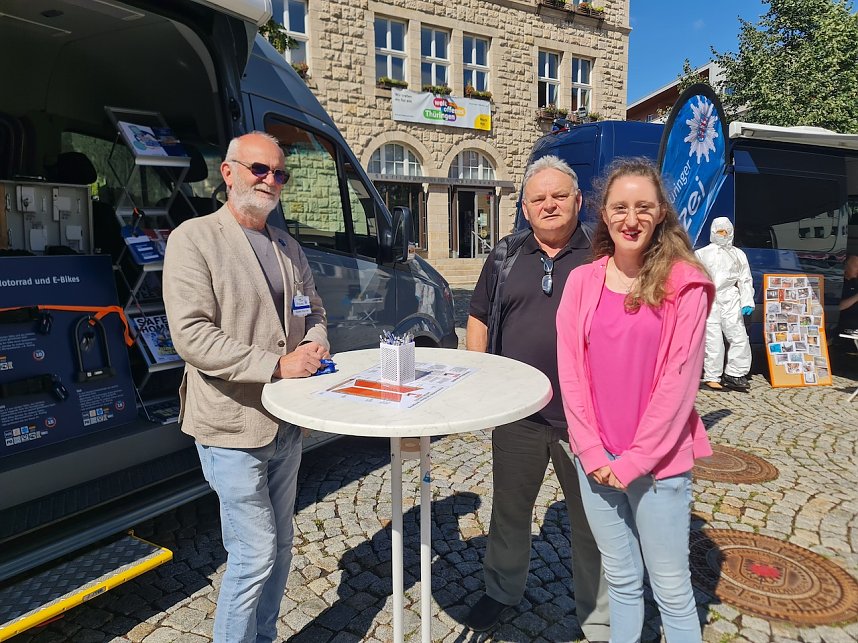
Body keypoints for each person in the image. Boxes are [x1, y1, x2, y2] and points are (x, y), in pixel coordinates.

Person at [163, 131, 329, 643]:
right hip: (231, 427)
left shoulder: (286, 244)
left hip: (285, 425)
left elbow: (315, 312)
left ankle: (263, 637)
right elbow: (191, 336)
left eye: (280, 173)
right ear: (228, 172)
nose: (271, 181)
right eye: (260, 169)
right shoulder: (194, 238)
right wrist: (278, 365)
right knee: (253, 554)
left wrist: (316, 344)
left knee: (280, 547)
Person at [556, 158, 713, 643]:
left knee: (671, 589)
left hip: (659, 466)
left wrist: (633, 461)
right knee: (621, 581)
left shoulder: (685, 283)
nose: (631, 218)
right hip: (596, 461)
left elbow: (679, 383)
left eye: (644, 207)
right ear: (604, 214)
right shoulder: (583, 282)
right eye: (620, 207)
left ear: (661, 212)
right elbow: (572, 373)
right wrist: (590, 451)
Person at [465, 155, 610, 640]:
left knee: (594, 522)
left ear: (578, 201)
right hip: (519, 415)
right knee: (509, 509)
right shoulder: (507, 254)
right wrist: (482, 381)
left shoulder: (603, 256)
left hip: (587, 420)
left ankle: (600, 618)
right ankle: (501, 590)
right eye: (538, 198)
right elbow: (480, 318)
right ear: (525, 208)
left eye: (559, 196)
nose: (549, 205)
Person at [694, 217, 755, 391]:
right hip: (710, 298)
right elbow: (696, 278)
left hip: (730, 298)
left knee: (739, 335)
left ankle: (735, 373)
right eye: (720, 231)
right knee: (713, 338)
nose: (724, 234)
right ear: (713, 232)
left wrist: (747, 300)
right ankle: (713, 375)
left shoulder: (738, 254)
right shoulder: (702, 254)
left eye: (726, 231)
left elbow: (745, 279)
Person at [838, 255, 858, 334]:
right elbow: (839, 306)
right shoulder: (838, 284)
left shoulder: (854, 282)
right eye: (856, 266)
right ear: (845, 266)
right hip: (845, 325)